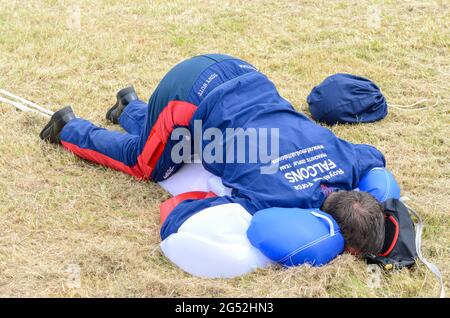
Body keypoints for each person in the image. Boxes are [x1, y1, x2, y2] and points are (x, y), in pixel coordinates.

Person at [40, 53, 385, 256]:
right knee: (145, 163)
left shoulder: (347, 160)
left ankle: (129, 107)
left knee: (177, 146)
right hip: (190, 93)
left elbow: (375, 156)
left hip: (241, 71)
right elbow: (181, 216)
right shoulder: (273, 201)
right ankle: (68, 127)